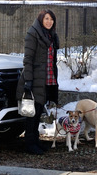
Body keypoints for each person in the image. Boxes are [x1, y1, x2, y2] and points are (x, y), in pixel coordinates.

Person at [16, 9, 59, 155]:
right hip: (34, 79)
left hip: (46, 78)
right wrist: (28, 80)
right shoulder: (32, 34)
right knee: (31, 114)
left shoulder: (51, 35)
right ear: (41, 20)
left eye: (51, 19)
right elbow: (27, 59)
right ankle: (29, 144)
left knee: (39, 111)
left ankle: (36, 141)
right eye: (46, 19)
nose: (49, 21)